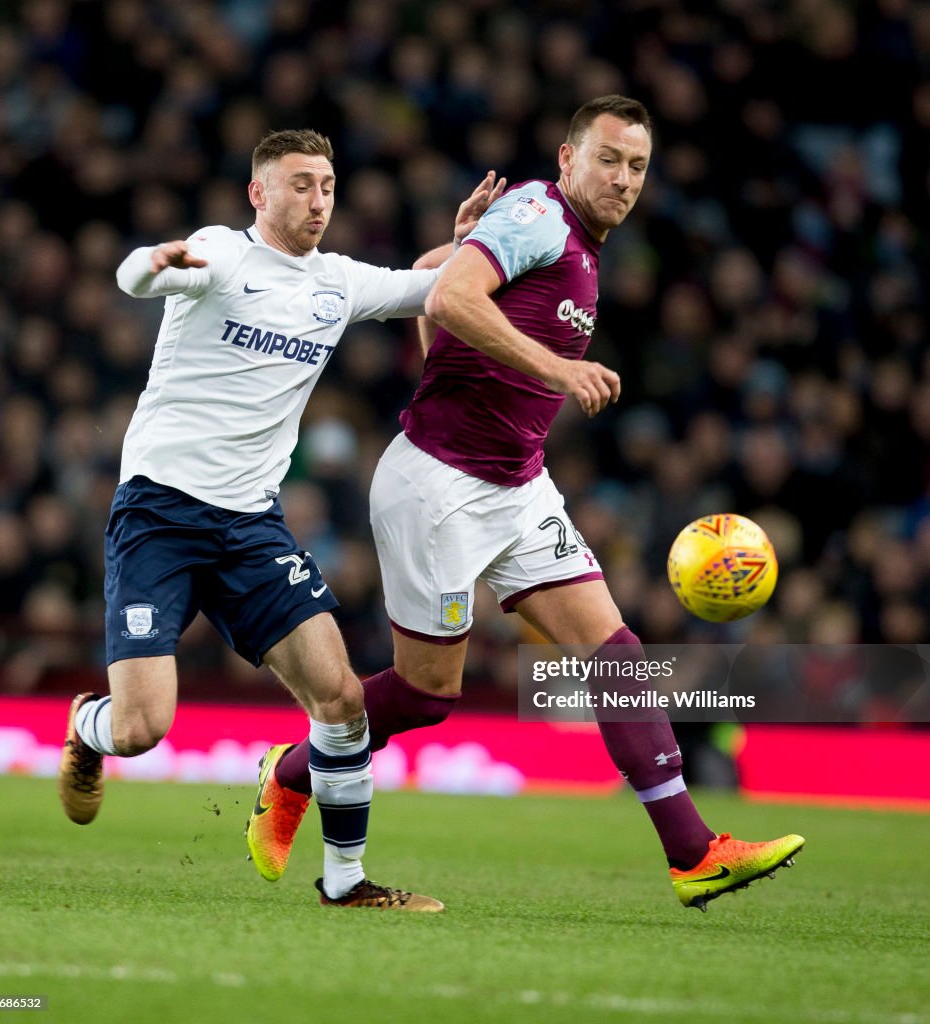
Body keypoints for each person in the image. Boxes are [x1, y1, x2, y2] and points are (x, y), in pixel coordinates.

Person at [258, 97, 804, 912]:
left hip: (516, 484)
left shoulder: (566, 238)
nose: (622, 179)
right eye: (608, 159)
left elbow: (435, 288)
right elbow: (447, 302)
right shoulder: (541, 216)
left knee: (614, 653)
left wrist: (456, 246)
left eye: (637, 167)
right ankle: (293, 769)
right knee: (427, 693)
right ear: (566, 158)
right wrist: (556, 368)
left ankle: (694, 853)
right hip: (434, 486)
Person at [56, 127, 505, 912]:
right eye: (300, 183)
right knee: (141, 728)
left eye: (327, 185)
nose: (318, 199)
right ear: (260, 194)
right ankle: (87, 727)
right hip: (158, 512)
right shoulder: (221, 255)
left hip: (249, 526)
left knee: (341, 699)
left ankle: (346, 881)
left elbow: (421, 288)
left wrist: (465, 246)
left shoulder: (337, 283)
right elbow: (134, 279)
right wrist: (153, 262)